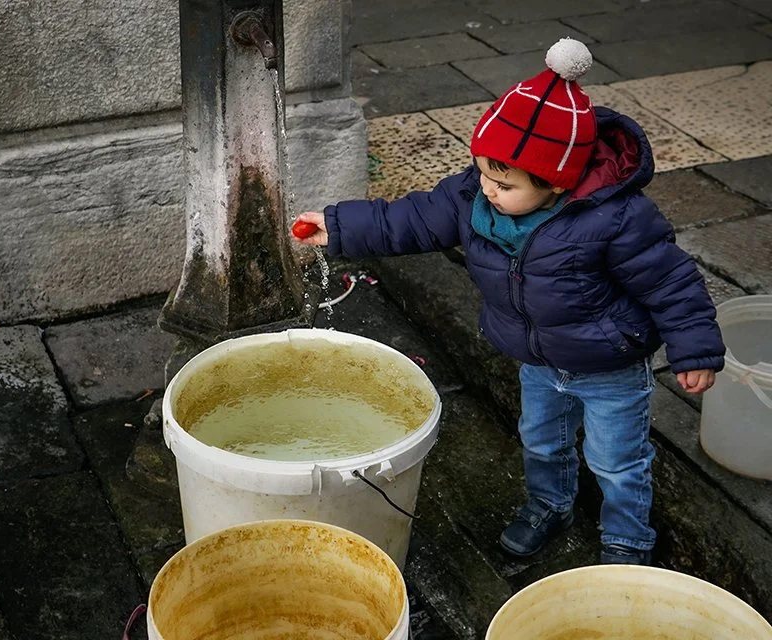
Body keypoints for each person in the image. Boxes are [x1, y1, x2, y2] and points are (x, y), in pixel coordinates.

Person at [290, 38, 725, 566]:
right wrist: (336, 228)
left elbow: (671, 282)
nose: (489, 189)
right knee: (542, 442)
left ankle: (627, 538)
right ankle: (550, 504)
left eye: (505, 182)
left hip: (608, 364)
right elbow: (409, 219)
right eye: (483, 172)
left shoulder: (616, 219)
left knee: (617, 460)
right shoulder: (474, 196)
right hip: (537, 360)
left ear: (556, 182)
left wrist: (695, 350)